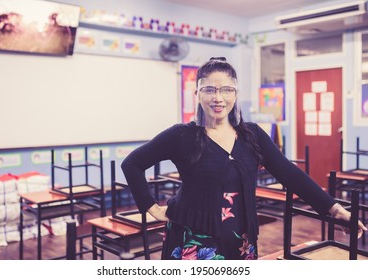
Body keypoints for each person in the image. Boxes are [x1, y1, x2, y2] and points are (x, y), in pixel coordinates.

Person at [121, 57, 367, 260]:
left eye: (226, 89)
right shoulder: (181, 136)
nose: (218, 97)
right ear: (197, 93)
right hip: (191, 241)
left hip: (242, 242)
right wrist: (150, 207)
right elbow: (132, 163)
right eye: (210, 89)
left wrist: (333, 209)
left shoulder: (252, 135)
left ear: (235, 93)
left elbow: (289, 173)